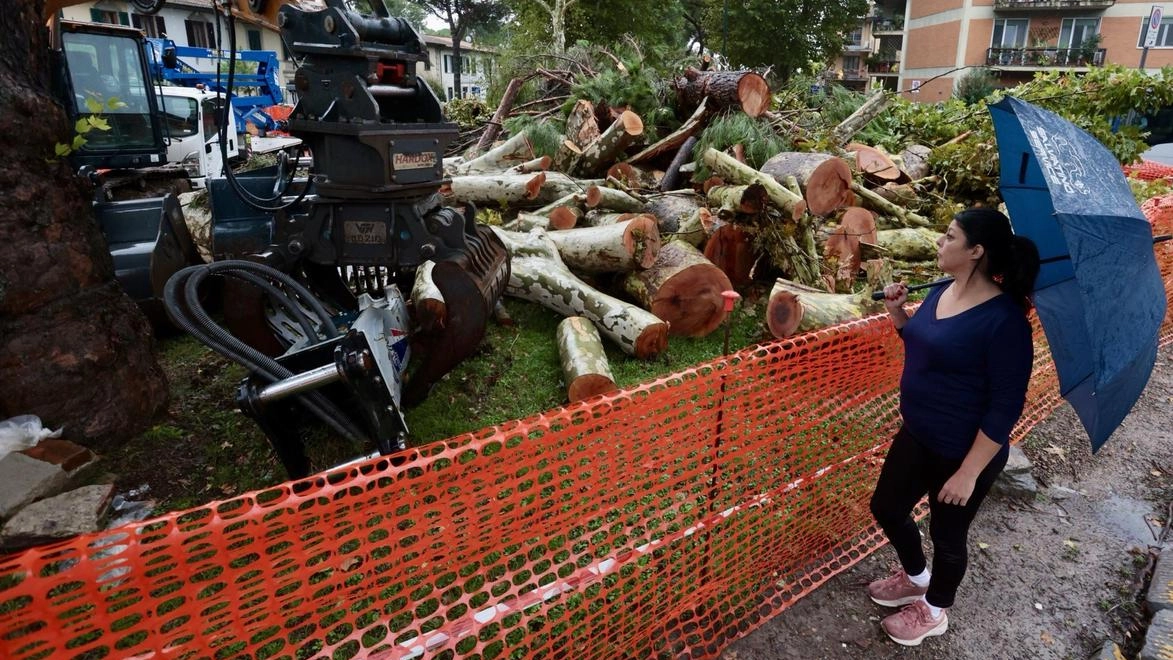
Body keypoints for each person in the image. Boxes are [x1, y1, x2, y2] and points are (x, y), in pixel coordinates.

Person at [867, 207, 1040, 647]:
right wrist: (897, 313)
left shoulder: (1006, 323)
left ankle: (936, 609)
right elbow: (926, 345)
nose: (940, 244)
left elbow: (1005, 408)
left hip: (964, 451)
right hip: (918, 433)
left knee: (948, 535)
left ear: (976, 251)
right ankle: (916, 577)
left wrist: (968, 472)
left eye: (949, 237)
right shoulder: (942, 290)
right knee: (887, 507)